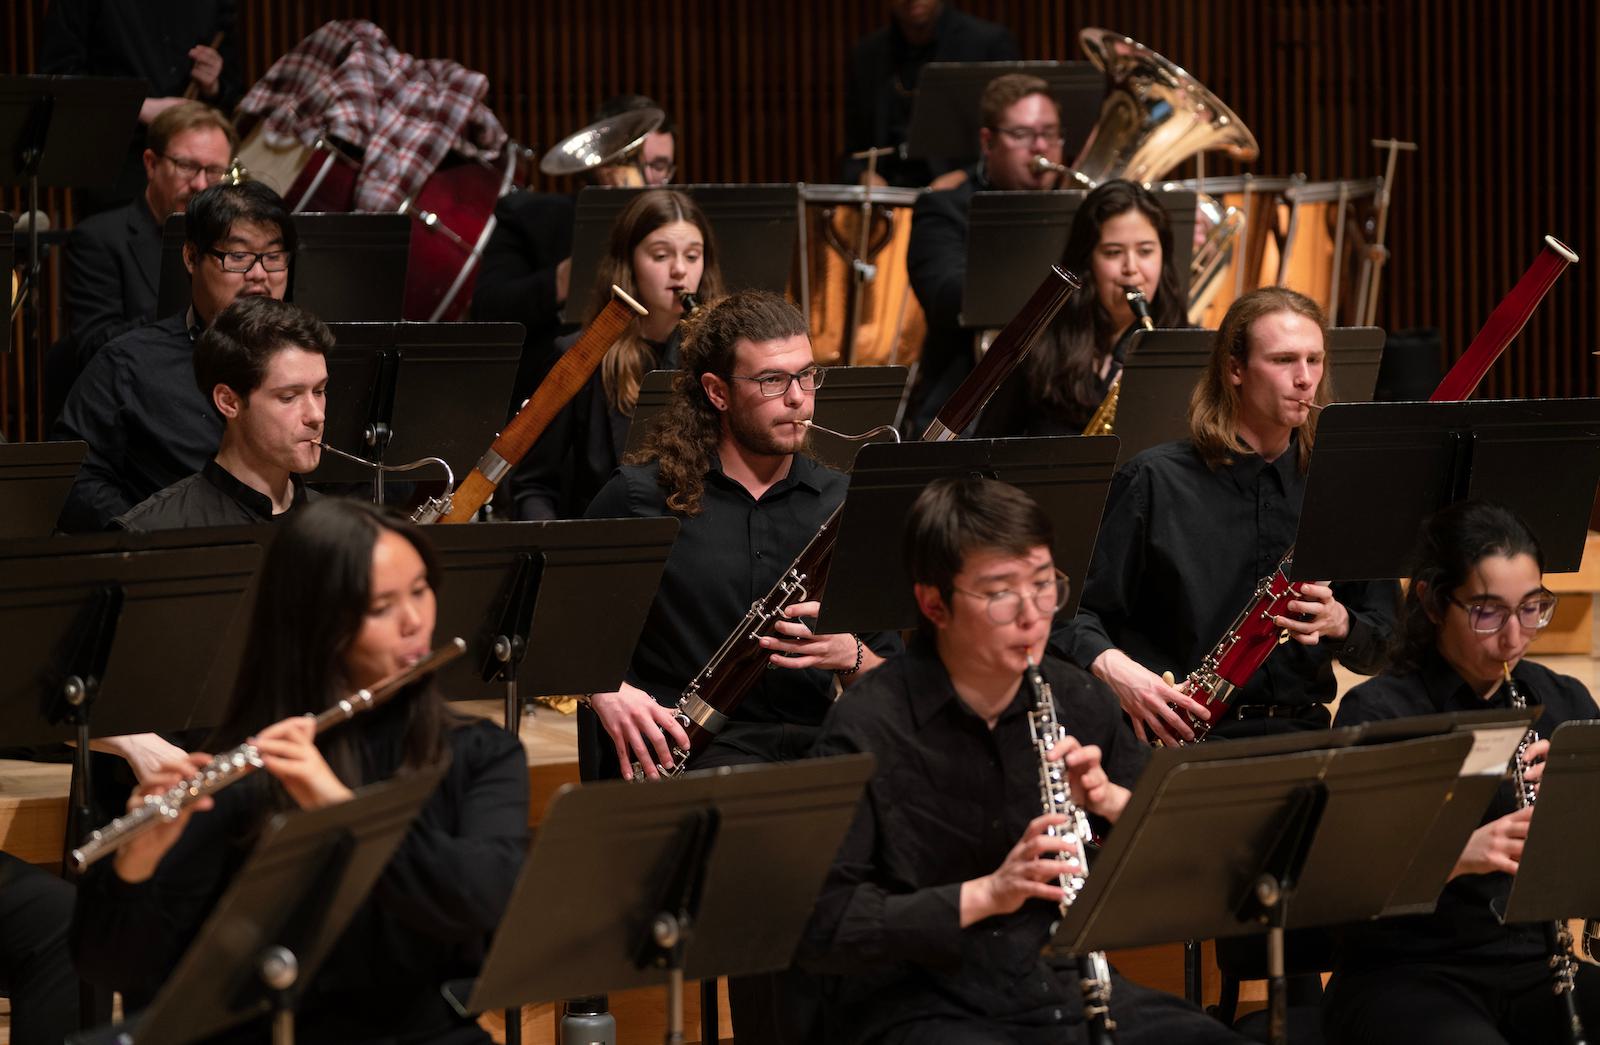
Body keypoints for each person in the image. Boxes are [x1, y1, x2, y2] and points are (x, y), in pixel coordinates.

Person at [802, 476, 1247, 1045]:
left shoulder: (1076, 697)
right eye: (1000, 593)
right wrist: (989, 893)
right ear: (933, 603)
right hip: (922, 1003)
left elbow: (1189, 861)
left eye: (1043, 587)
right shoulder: (867, 728)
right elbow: (829, 922)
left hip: (1057, 984)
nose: (1032, 616)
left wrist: (1111, 802)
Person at [72, 498, 530, 1044]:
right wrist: (137, 861)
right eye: (382, 606)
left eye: (420, 589)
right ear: (320, 628)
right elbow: (113, 967)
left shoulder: (479, 754)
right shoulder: (255, 775)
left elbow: (481, 901)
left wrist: (339, 810)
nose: (415, 621)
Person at [581, 289, 900, 1042]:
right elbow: (554, 636)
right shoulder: (641, 498)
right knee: (782, 859)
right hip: (697, 761)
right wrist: (607, 690)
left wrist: (853, 655)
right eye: (772, 381)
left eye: (808, 377)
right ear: (718, 393)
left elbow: (895, 673)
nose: (798, 399)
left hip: (817, 752)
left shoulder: (843, 501)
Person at [1053, 286, 1398, 745]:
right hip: (1177, 741)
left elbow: (1387, 644)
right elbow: (1071, 613)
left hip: (1302, 736)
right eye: (1283, 360)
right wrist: (1118, 672)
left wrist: (1341, 623)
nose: (1305, 379)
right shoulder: (1154, 482)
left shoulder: (1339, 488)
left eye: (1314, 360)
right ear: (1234, 369)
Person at [1324, 500, 1600, 1044]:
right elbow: (1341, 887)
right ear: (1432, 601)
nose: (1514, 637)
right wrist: (1457, 854)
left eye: (1531, 609)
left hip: (1535, 965)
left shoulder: (1562, 699)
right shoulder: (1382, 715)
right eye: (1488, 612)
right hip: (1405, 974)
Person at [53, 181, 296, 533]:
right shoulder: (128, 362)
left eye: (273, 257)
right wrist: (150, 532)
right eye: (238, 257)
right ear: (190, 256)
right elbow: (74, 478)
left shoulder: (314, 361)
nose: (259, 275)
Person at [508, 188, 725, 520]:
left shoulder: (721, 355)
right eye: (661, 255)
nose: (680, 270)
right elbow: (534, 486)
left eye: (693, 256)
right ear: (629, 263)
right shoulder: (581, 358)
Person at [471, 95, 679, 415]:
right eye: (635, 163)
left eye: (660, 166)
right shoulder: (531, 218)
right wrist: (561, 280)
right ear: (603, 163)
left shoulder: (681, 230)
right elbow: (488, 308)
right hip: (560, 399)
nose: (650, 179)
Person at [904, 73, 1064, 433]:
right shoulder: (943, 210)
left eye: (1049, 133)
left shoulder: (1083, 214)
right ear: (988, 141)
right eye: (1022, 135)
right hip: (969, 408)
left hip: (1062, 404)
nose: (1040, 147)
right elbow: (945, 297)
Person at [977, 179, 1189, 436]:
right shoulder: (1039, 347)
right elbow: (988, 443)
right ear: (1087, 262)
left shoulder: (1185, 351)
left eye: (1145, 251)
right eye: (1113, 252)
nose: (1131, 267)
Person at [115, 296, 328, 531]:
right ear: (228, 401)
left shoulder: (340, 528)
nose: (317, 415)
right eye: (288, 397)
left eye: (319, 391)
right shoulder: (151, 532)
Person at [60, 102, 238, 370]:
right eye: (187, 166)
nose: (200, 185)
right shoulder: (99, 238)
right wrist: (190, 307)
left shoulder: (233, 240)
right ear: (151, 164)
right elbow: (94, 347)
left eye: (214, 172)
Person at [38, 0, 242, 215]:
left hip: (197, 166)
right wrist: (140, 107)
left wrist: (214, 84)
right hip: (116, 161)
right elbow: (59, 78)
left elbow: (232, 88)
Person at [840, 1, 1019, 188]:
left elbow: (1011, 143)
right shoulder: (867, 55)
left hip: (964, 196)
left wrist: (965, 176)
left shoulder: (988, 44)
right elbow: (853, 155)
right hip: (889, 199)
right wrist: (863, 175)